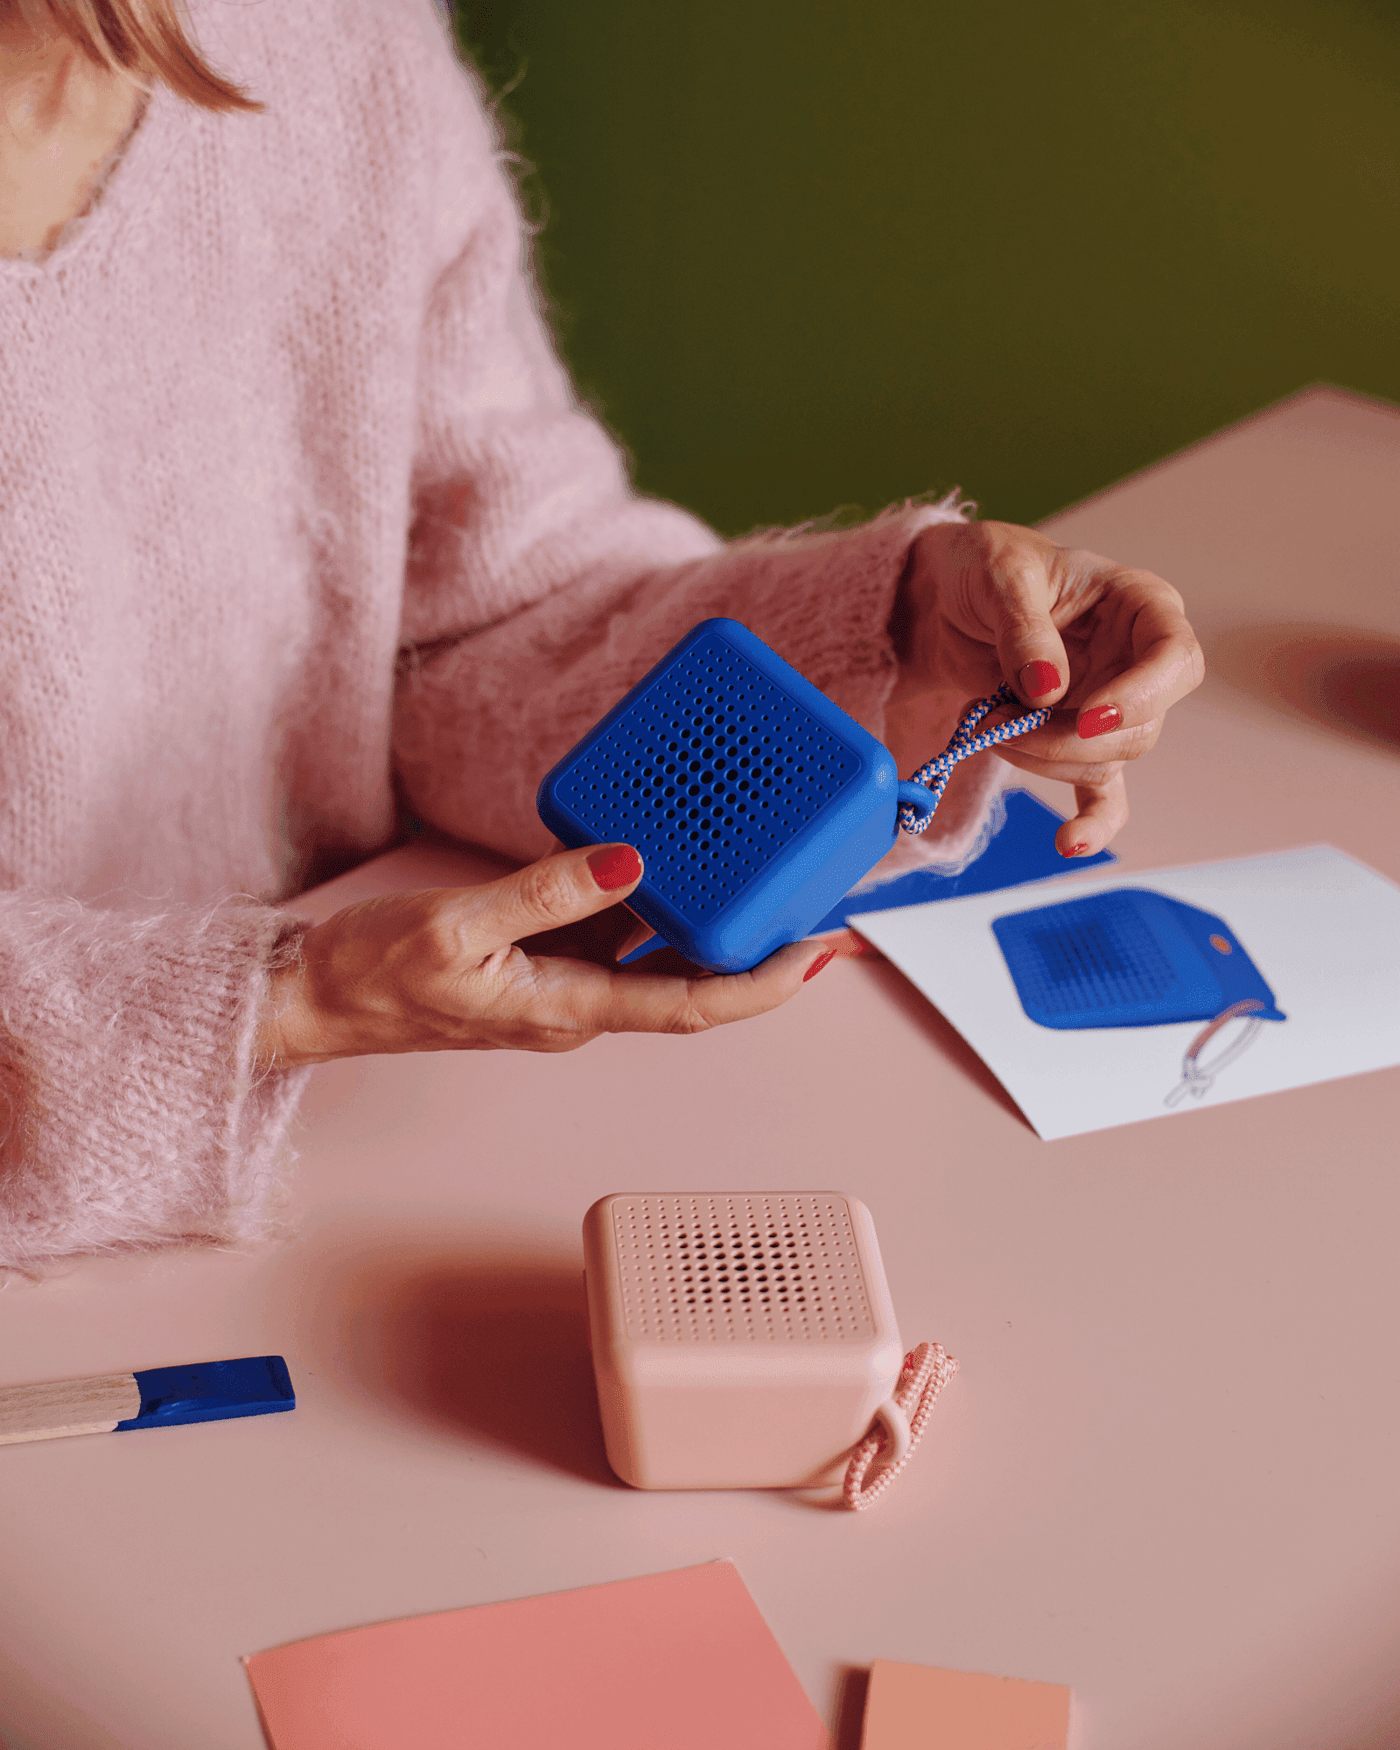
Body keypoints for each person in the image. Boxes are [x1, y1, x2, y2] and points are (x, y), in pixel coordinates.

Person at [0, 0, 1202, 1273]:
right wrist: (279, 999)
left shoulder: (334, 44)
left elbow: (494, 612)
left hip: (352, 1155)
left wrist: (901, 634)